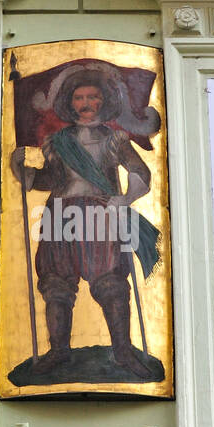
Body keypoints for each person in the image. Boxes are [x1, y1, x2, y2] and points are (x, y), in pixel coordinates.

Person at [10, 71, 156, 378]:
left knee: (111, 282)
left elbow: (140, 172)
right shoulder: (57, 142)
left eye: (92, 97)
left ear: (104, 100)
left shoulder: (115, 138)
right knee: (55, 285)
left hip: (100, 213)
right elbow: (49, 179)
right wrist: (20, 170)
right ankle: (58, 353)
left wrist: (125, 199)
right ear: (69, 102)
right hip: (60, 214)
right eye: (79, 97)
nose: (86, 103)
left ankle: (123, 353)